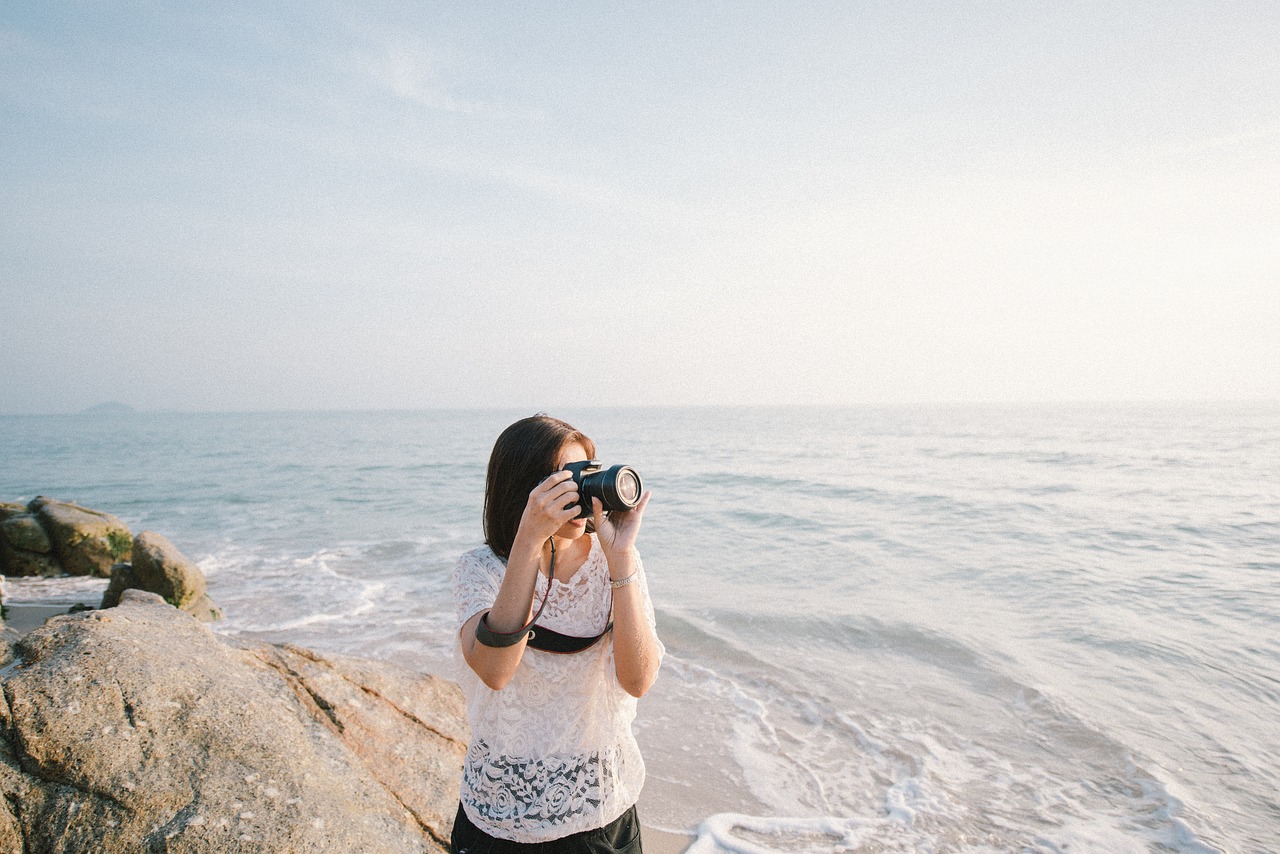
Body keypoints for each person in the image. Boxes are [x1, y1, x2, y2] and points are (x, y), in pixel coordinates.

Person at [451, 415, 663, 853]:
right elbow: (495, 670)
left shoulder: (614, 562)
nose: (583, 495)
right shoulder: (481, 569)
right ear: (525, 491)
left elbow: (638, 680)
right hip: (500, 814)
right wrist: (530, 539)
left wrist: (621, 559)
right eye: (567, 481)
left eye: (588, 474)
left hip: (600, 808)